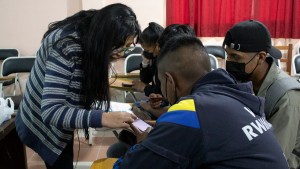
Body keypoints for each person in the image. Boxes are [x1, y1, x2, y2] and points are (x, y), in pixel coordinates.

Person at [113, 35, 289, 169]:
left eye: (160, 82)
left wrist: (145, 143)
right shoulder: (235, 95)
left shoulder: (191, 109)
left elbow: (130, 166)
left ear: (170, 81)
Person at [15, 3, 140, 169]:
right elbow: (51, 111)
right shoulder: (66, 46)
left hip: (59, 119)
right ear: (106, 37)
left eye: (127, 47)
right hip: (40, 120)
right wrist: (103, 118)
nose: (121, 53)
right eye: (119, 46)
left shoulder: (92, 32)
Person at [223, 20, 300, 169]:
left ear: (261, 57)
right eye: (228, 55)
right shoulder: (242, 80)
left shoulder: (286, 97)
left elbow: (274, 158)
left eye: (236, 57)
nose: (229, 62)